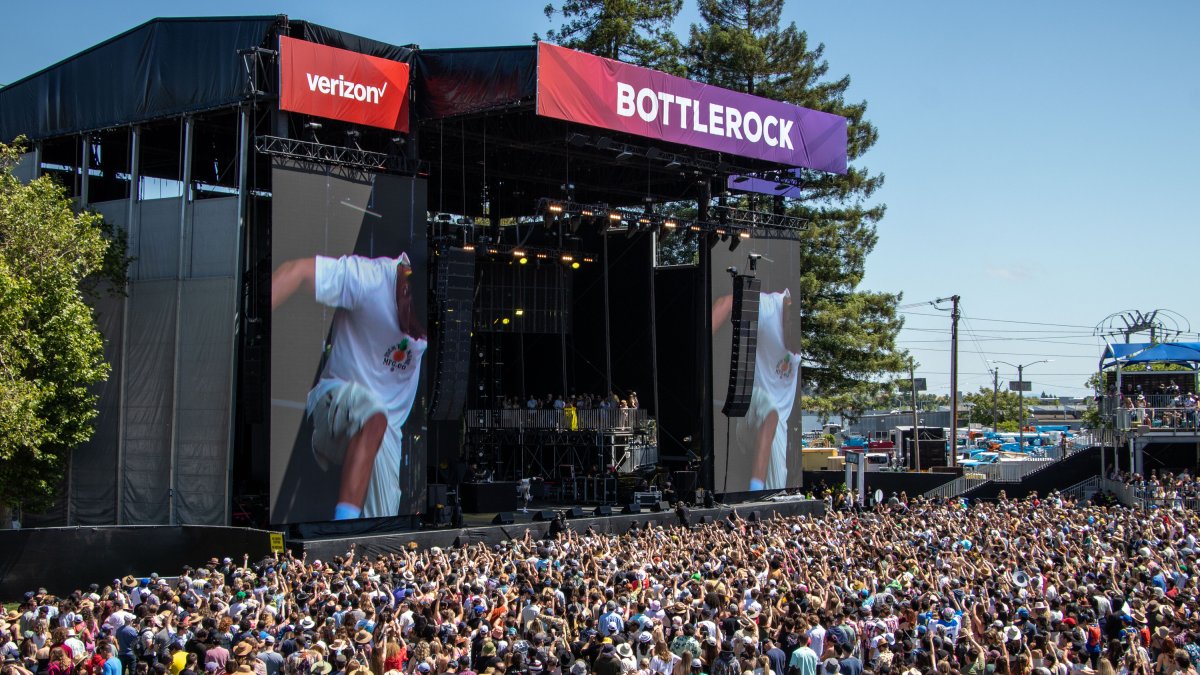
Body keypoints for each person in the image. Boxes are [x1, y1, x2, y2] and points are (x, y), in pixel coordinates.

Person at [272, 253, 427, 520]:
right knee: (373, 415)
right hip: (335, 399)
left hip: (386, 431)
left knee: (383, 520)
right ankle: (342, 527)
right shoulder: (370, 279)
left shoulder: (428, 316)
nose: (414, 334)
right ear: (404, 288)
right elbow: (295, 270)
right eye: (413, 321)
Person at [712, 288, 800, 491]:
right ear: (787, 317)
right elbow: (727, 302)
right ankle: (755, 491)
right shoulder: (770, 308)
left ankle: (760, 498)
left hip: (777, 427)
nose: (794, 350)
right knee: (770, 412)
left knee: (776, 488)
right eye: (792, 340)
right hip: (749, 409)